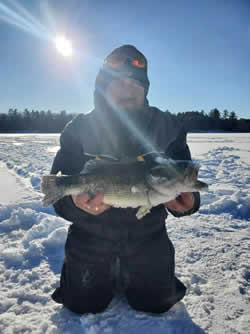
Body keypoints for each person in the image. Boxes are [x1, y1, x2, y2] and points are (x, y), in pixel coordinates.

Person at [50, 45, 200, 314]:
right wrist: (76, 205)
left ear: (145, 88)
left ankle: (136, 271)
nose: (127, 89)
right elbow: (60, 193)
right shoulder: (79, 129)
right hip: (91, 234)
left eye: (135, 82)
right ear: (103, 88)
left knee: (157, 304)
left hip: (148, 235)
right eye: (118, 82)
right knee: (83, 304)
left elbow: (182, 178)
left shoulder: (169, 127)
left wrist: (188, 203)